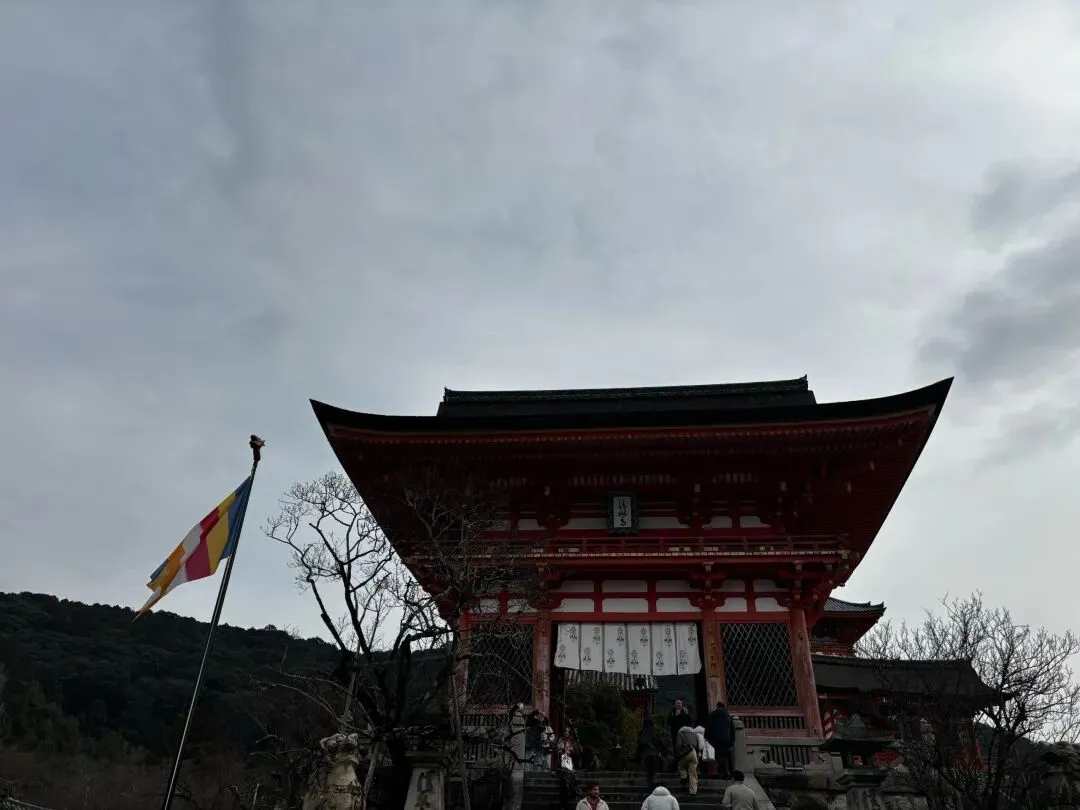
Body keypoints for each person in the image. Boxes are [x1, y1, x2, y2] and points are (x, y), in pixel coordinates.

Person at [706, 700, 735, 779]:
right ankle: (728, 772)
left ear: (717, 706)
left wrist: (708, 738)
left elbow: (708, 727)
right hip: (726, 738)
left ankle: (723, 772)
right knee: (726, 755)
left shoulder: (712, 715)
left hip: (716, 739)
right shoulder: (728, 715)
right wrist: (732, 741)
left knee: (718, 755)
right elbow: (732, 730)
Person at [635, 715, 662, 791]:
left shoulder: (643, 733)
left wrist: (638, 757)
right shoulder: (655, 733)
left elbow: (640, 746)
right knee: (653, 772)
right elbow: (660, 744)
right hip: (655, 755)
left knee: (649, 773)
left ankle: (650, 787)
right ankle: (653, 786)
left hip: (646, 756)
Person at [673, 723, 700, 795]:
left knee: (680, 766)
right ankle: (693, 791)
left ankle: (684, 777)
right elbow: (697, 744)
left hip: (685, 753)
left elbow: (678, 744)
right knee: (693, 773)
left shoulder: (680, 732)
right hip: (693, 753)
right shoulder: (693, 732)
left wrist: (678, 753)